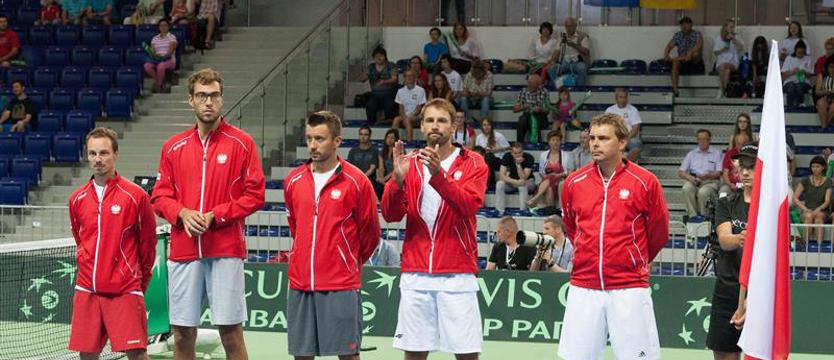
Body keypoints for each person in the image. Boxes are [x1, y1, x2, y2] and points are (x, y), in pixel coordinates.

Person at [151, 68, 265, 360]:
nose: (208, 102)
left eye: (214, 95)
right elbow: (160, 197)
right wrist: (182, 213)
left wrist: (217, 215)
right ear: (191, 100)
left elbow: (255, 195)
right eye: (202, 96)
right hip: (184, 252)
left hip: (225, 250)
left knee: (231, 334)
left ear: (221, 99)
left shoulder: (242, 144)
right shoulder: (172, 147)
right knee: (182, 335)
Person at [381, 98, 488, 359]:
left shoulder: (474, 162)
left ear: (454, 127)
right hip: (416, 274)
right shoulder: (408, 162)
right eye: (429, 120)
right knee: (414, 353)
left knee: (466, 353)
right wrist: (396, 182)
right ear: (422, 126)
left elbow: (468, 206)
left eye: (442, 120)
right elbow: (390, 214)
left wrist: (439, 175)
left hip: (457, 274)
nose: (435, 126)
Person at [559, 113, 669, 360]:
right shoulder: (573, 183)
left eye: (603, 138)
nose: (594, 143)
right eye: (592, 138)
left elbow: (659, 233)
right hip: (583, 285)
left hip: (629, 287)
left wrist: (633, 259)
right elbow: (571, 228)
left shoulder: (646, 182)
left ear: (622, 142)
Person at [284, 110, 381, 359]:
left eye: (320, 139)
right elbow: (296, 227)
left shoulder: (357, 181)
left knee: (347, 356)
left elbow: (370, 234)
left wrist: (345, 260)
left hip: (340, 284)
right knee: (301, 355)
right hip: (300, 282)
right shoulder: (293, 181)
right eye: (309, 139)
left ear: (337, 141)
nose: (313, 146)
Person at [68, 127, 157, 360]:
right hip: (87, 289)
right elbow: (81, 239)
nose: (98, 160)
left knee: (137, 354)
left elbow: (147, 245)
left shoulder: (136, 196)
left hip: (124, 289)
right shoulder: (76, 199)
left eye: (104, 153)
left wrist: (138, 281)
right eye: (93, 154)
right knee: (87, 355)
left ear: (115, 154)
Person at [708, 142, 758, 360]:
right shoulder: (727, 202)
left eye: (752, 167)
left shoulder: (773, 209)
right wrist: (741, 237)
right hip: (728, 289)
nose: (745, 172)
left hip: (761, 293)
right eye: (742, 166)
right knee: (724, 353)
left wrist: (749, 302)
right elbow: (725, 240)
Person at [678, 129, 723, 220]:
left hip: (710, 181)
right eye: (699, 139)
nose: (702, 142)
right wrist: (690, 178)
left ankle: (704, 217)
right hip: (694, 179)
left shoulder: (717, 153)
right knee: (686, 188)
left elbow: (719, 173)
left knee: (703, 192)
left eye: (704, 139)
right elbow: (681, 172)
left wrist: (706, 176)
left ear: (709, 140)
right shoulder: (692, 154)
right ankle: (693, 216)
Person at [793, 156, 832, 244]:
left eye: (817, 166)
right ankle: (804, 245)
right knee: (809, 216)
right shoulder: (805, 180)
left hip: (822, 211)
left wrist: (818, 209)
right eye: (813, 166)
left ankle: (819, 247)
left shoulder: (828, 181)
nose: (815, 169)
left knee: (818, 217)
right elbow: (795, 197)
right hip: (808, 210)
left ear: (823, 167)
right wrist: (804, 208)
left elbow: (827, 201)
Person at [664, 16, 704, 96]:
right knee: (675, 62)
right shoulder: (678, 35)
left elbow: (699, 45)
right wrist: (666, 55)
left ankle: (678, 58)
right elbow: (669, 46)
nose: (684, 26)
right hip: (682, 60)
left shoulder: (697, 34)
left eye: (686, 24)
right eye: (682, 25)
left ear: (691, 25)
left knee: (696, 53)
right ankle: (675, 89)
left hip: (694, 60)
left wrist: (690, 52)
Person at [527, 130, 566, 210]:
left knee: (549, 179)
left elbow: (566, 172)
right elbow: (541, 172)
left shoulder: (566, 155)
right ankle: (550, 211)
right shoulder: (543, 155)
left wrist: (556, 175)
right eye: (553, 140)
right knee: (549, 187)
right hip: (547, 183)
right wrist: (547, 176)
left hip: (559, 181)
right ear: (549, 142)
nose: (555, 142)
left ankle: (535, 199)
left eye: (557, 140)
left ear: (560, 142)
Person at [547, 17, 590, 87]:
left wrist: (573, 44)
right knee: (551, 68)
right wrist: (553, 61)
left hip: (578, 62)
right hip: (565, 62)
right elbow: (556, 51)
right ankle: (560, 88)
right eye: (566, 26)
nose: (568, 28)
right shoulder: (562, 37)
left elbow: (586, 51)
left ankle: (579, 89)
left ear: (575, 26)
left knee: (582, 68)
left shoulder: (583, 36)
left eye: (570, 26)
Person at [495, 142, 536, 214]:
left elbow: (523, 178)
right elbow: (501, 175)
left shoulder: (529, 157)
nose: (517, 155)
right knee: (499, 184)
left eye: (519, 153)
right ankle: (500, 211)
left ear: (523, 152)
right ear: (511, 153)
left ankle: (522, 211)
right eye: (515, 153)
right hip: (513, 181)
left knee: (522, 186)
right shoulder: (507, 156)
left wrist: (518, 165)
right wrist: (515, 182)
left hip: (528, 182)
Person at [361, 46, 398, 125]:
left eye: (381, 56)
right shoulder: (371, 67)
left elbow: (394, 79)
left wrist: (384, 82)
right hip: (375, 94)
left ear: (385, 56)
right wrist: (366, 75)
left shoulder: (391, 65)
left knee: (390, 105)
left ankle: (389, 123)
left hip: (389, 93)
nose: (379, 58)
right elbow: (362, 79)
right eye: (376, 56)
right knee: (370, 105)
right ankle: (372, 124)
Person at [604, 88, 643, 161]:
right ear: (616, 98)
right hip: (614, 137)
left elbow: (636, 127)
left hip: (629, 137)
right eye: (620, 97)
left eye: (625, 97)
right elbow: (606, 126)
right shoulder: (609, 110)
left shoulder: (633, 110)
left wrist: (626, 138)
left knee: (636, 143)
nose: (623, 99)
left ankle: (625, 163)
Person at [143, 18, 178, 93]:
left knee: (161, 66)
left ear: (168, 27)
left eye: (165, 25)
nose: (163, 27)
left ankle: (158, 86)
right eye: (161, 25)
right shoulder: (155, 38)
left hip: (169, 59)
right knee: (147, 66)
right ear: (159, 27)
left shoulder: (172, 37)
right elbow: (152, 51)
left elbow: (171, 51)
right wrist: (155, 55)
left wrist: (163, 57)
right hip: (156, 59)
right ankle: (160, 83)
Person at [512, 74, 549, 144]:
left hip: (541, 116)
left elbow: (547, 110)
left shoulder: (544, 92)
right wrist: (525, 106)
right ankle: (519, 144)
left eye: (535, 86)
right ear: (528, 83)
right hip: (527, 115)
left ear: (538, 85)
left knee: (534, 120)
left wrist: (540, 109)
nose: (532, 88)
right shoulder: (523, 91)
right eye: (531, 85)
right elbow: (515, 109)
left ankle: (537, 144)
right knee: (522, 120)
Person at [713, 19, 744, 99]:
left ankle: (721, 90)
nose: (732, 29)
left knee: (724, 66)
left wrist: (733, 39)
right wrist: (723, 49)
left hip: (733, 62)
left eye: (733, 27)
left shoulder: (736, 37)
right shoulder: (719, 38)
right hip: (721, 62)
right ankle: (725, 91)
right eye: (731, 27)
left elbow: (741, 48)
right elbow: (715, 52)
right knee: (726, 70)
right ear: (725, 27)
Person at [392, 70, 428, 141]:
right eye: (407, 76)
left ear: (415, 78)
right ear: (404, 78)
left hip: (417, 116)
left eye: (411, 76)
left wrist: (411, 115)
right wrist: (404, 116)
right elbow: (401, 108)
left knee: (407, 120)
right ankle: (394, 140)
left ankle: (409, 141)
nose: (409, 78)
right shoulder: (400, 91)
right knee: (396, 119)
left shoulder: (421, 90)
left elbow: (419, 107)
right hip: (404, 115)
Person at [475, 117, 510, 189]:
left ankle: (490, 183)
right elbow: (477, 151)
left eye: (488, 125)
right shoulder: (479, 137)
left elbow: (509, 148)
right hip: (484, 160)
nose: (486, 127)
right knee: (486, 157)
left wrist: (497, 149)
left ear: (491, 126)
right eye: (484, 125)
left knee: (489, 156)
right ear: (481, 126)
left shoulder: (498, 135)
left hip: (499, 160)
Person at [781, 40, 814, 108]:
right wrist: (792, 72)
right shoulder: (789, 58)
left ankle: (800, 105)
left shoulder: (808, 59)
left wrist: (804, 72)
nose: (800, 55)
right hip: (789, 81)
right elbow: (784, 73)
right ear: (795, 50)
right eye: (799, 53)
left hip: (804, 82)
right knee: (791, 87)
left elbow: (811, 74)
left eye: (802, 53)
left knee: (799, 86)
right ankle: (790, 107)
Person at [720, 131, 750, 196]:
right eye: (738, 144)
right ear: (735, 144)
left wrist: (746, 185)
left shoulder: (751, 155)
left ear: (747, 143)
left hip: (747, 185)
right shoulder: (729, 154)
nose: (741, 146)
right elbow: (725, 173)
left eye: (743, 144)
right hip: (731, 185)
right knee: (723, 192)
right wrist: (730, 184)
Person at [377, 128, 400, 198]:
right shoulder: (382, 152)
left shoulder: (399, 151)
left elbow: (396, 169)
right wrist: (381, 178)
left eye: (392, 138)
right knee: (378, 187)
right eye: (388, 137)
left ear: (396, 140)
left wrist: (385, 179)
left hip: (396, 177)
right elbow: (381, 168)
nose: (389, 140)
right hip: (385, 177)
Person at [815, 56, 834, 128]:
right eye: (831, 67)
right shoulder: (822, 75)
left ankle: (826, 126)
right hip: (826, 96)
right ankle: (824, 126)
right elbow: (817, 92)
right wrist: (826, 92)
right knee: (820, 102)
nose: (832, 69)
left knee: (833, 107)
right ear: (827, 66)